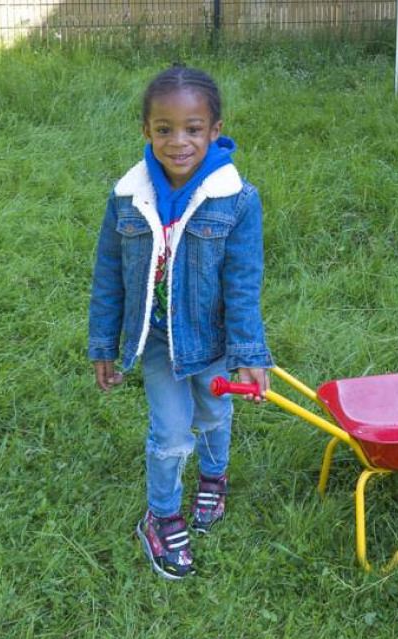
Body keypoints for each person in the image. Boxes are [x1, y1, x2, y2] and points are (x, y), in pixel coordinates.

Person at [88, 65, 271, 580]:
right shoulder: (127, 196)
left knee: (214, 415)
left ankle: (213, 477)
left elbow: (242, 284)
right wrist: (104, 342)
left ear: (215, 131)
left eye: (193, 128)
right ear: (146, 130)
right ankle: (161, 516)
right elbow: (108, 275)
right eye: (164, 128)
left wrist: (249, 352)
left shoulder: (237, 200)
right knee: (169, 434)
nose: (178, 141)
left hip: (211, 342)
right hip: (158, 342)